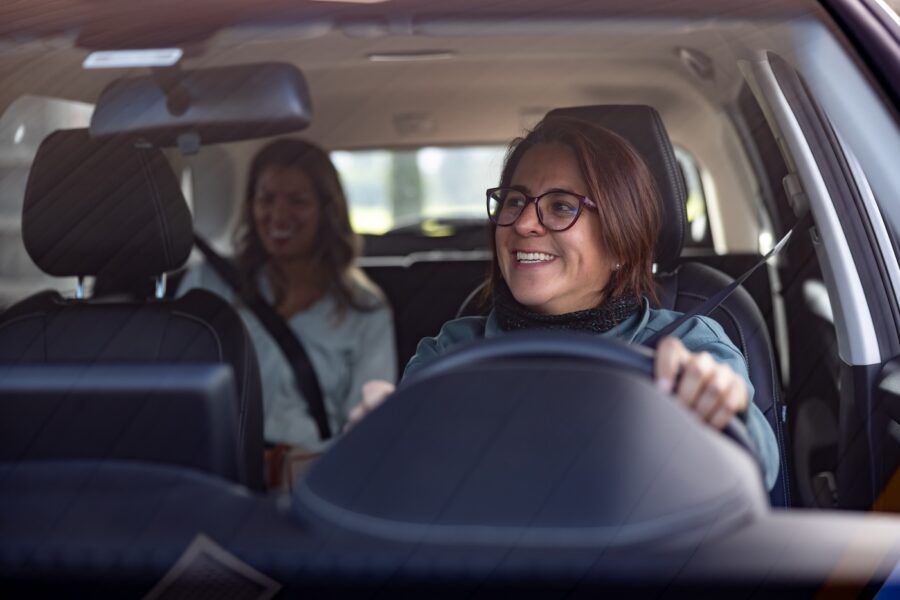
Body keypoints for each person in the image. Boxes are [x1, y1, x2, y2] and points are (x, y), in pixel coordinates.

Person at [353, 116, 779, 491]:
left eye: (560, 207)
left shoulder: (687, 345)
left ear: (621, 244)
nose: (522, 224)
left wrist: (722, 409)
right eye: (515, 200)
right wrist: (380, 445)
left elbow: (758, 470)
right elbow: (406, 493)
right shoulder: (453, 351)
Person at [179, 138, 397, 457]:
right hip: (219, 469)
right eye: (266, 199)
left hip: (314, 476)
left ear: (327, 210)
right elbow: (178, 397)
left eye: (297, 201)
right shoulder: (207, 284)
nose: (278, 215)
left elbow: (368, 427)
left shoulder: (364, 308)